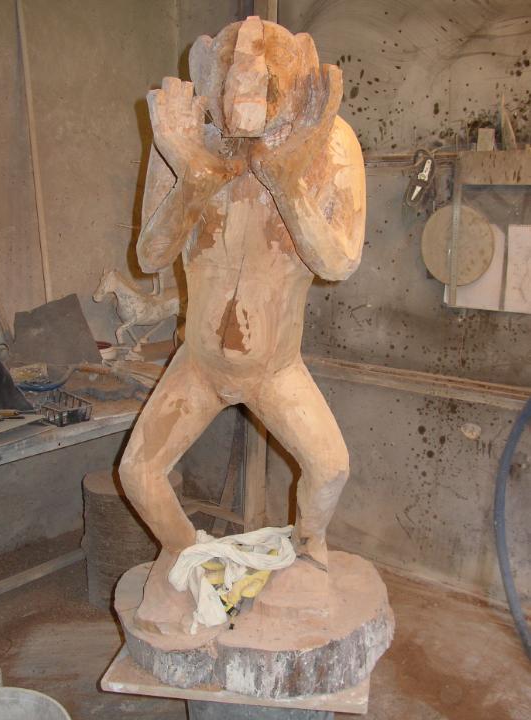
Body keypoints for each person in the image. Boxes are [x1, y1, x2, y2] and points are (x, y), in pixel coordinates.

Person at [119, 16, 365, 589]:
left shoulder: (329, 143)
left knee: (330, 470)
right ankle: (190, 556)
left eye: (258, 81)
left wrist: (287, 183)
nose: (242, 96)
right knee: (137, 474)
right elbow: (151, 256)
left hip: (274, 367)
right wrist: (194, 178)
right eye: (231, 82)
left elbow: (338, 262)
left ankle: (310, 544)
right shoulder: (185, 140)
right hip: (200, 364)